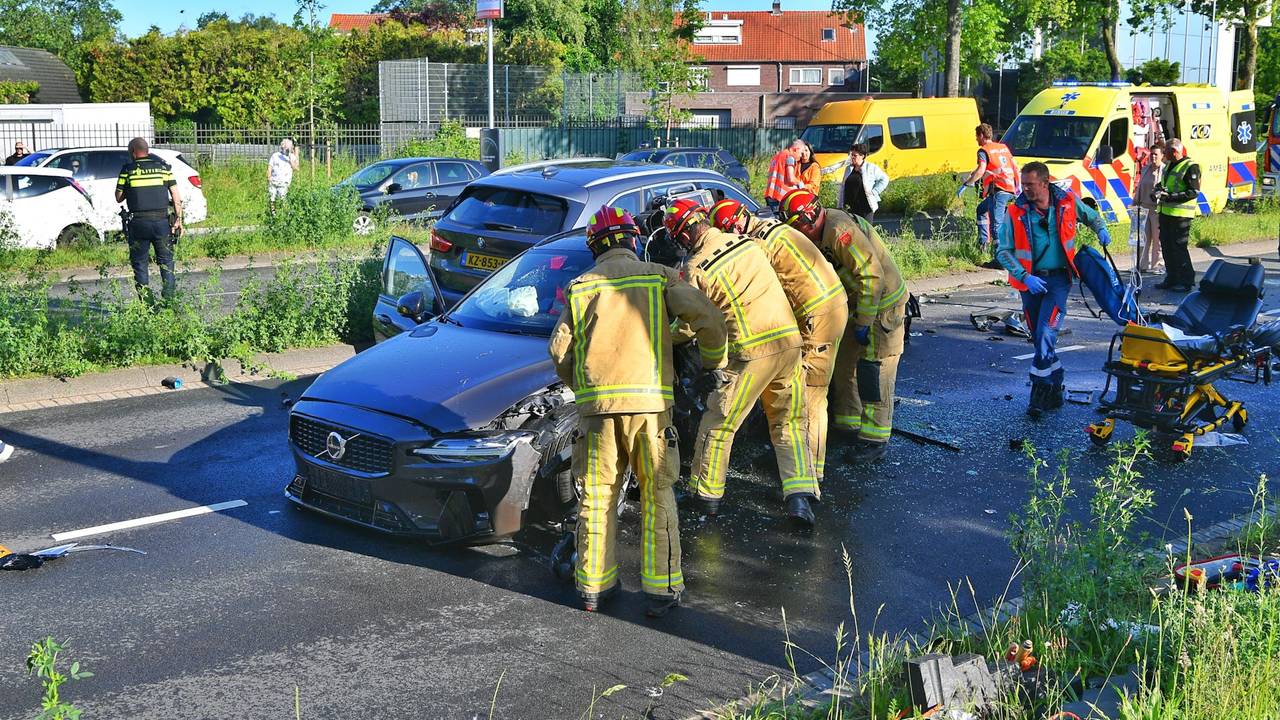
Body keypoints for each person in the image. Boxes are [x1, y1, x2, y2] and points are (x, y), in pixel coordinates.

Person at [548, 206, 727, 616]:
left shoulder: (580, 287)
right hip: (650, 411)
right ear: (632, 239)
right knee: (657, 492)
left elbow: (559, 351)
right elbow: (708, 317)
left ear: (594, 247)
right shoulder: (657, 275)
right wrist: (714, 364)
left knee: (597, 497)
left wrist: (586, 389)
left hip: (597, 415)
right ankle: (661, 591)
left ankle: (594, 588)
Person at [665, 198, 818, 526]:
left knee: (718, 424)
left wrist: (667, 337)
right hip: (790, 344)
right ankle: (800, 499)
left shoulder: (696, 268)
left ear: (685, 236)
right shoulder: (746, 244)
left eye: (679, 239)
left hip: (750, 354)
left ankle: (705, 497)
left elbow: (692, 322)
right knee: (789, 422)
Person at [709, 198, 847, 485]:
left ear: (734, 226)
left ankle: (812, 471)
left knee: (810, 396)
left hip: (816, 317)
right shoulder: (773, 229)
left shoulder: (760, 245)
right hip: (830, 304)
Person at [779, 188, 909, 464]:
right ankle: (848, 424)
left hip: (881, 307)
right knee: (843, 364)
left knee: (874, 373)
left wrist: (864, 321)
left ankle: (875, 441)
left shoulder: (839, 231)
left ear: (806, 221)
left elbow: (872, 276)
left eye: (796, 229)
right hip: (857, 305)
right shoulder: (821, 230)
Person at [995, 162, 1111, 418]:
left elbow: (1091, 217)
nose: (1025, 189)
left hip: (1059, 280)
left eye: (1030, 184)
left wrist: (1101, 230)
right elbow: (1003, 252)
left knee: (1047, 331)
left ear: (1046, 183)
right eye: (1023, 184)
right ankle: (1055, 383)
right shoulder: (1015, 211)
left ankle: (1039, 394)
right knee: (1038, 338)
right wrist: (1025, 277)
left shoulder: (1067, 201)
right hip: (1031, 283)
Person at [116, 137, 183, 301]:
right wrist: (178, 220)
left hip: (139, 224)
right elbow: (175, 195)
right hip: (162, 222)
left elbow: (118, 197)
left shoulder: (128, 170)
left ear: (133, 152)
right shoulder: (163, 168)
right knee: (166, 262)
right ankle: (169, 300)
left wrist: (129, 190)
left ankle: (147, 303)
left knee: (140, 264)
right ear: (147, 151)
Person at [960, 123, 1019, 266]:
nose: (976, 139)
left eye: (976, 136)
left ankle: (1001, 260)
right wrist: (1018, 188)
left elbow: (981, 170)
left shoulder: (983, 151)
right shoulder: (1003, 148)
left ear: (981, 135)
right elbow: (1015, 167)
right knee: (981, 210)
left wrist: (968, 183)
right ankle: (983, 244)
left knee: (996, 225)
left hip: (999, 190)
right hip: (1010, 188)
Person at [1154, 138, 1200, 292]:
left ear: (1174, 151)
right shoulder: (1169, 166)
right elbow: (1164, 184)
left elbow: (1193, 192)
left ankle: (1187, 281)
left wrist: (1171, 196)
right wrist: (1157, 190)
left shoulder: (1190, 166)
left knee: (1179, 247)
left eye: (1166, 151)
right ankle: (1172, 277)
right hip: (1166, 213)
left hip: (1181, 215)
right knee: (1166, 246)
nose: (1164, 154)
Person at [1133, 141, 1165, 274]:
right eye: (1151, 154)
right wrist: (1135, 203)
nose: (1153, 157)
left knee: (1158, 240)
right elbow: (1140, 187)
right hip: (1144, 208)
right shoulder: (1145, 169)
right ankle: (1142, 265)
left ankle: (1157, 265)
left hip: (1157, 209)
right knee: (1143, 239)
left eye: (1156, 155)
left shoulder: (1164, 171)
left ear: (1162, 155)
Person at [839, 142, 889, 221]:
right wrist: (840, 205)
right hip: (850, 208)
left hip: (865, 207)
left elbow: (885, 179)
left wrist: (875, 191)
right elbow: (843, 187)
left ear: (862, 156)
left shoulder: (871, 168)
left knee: (866, 231)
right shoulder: (849, 169)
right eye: (851, 155)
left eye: (855, 155)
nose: (852, 157)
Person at [763, 140, 804, 212]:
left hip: (770, 194)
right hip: (780, 197)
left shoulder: (777, 156)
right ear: (795, 149)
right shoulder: (790, 158)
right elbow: (791, 179)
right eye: (801, 153)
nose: (801, 156)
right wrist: (800, 184)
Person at [268, 138, 300, 211]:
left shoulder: (291, 156)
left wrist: (290, 158)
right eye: (286, 147)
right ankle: (273, 213)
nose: (288, 149)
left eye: (289, 147)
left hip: (284, 182)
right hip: (273, 181)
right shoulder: (275, 155)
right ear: (282, 147)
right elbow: (270, 167)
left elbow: (296, 168)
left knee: (283, 199)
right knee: (272, 198)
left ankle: (284, 213)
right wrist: (269, 177)